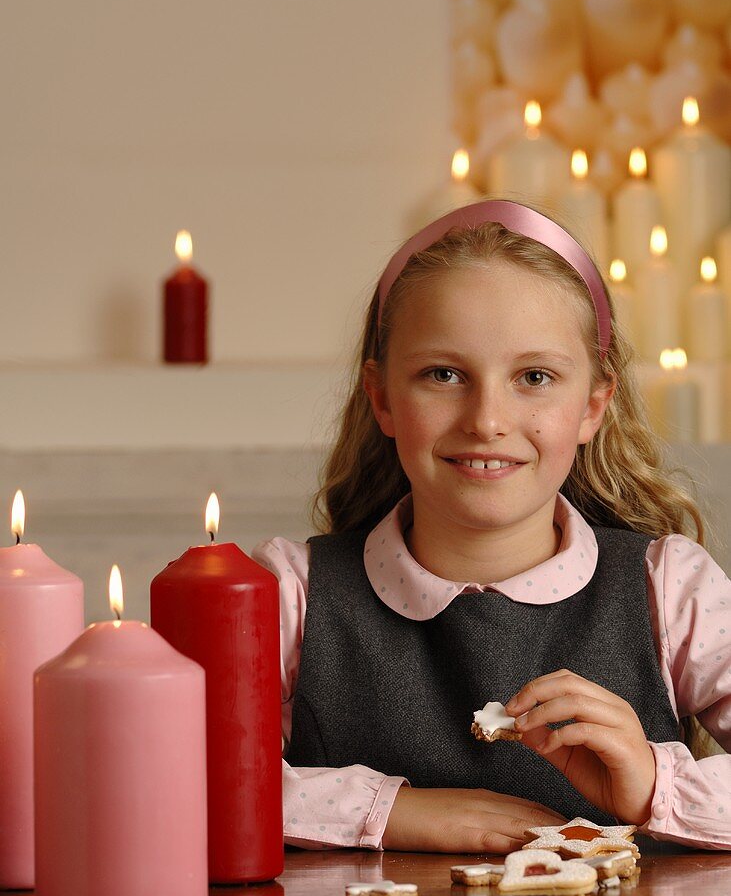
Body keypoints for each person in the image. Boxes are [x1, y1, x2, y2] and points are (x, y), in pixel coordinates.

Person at [253, 199, 731, 854]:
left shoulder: (669, 589)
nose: (485, 419)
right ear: (382, 396)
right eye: (443, 375)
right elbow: (170, 781)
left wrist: (651, 785)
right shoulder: (289, 594)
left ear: (592, 406)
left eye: (534, 377)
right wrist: (391, 813)